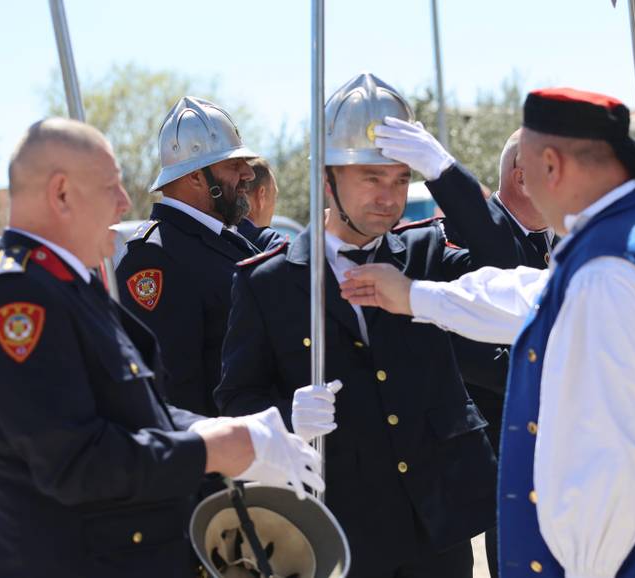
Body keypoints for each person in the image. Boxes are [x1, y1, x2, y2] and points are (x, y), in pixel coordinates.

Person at [341, 87, 635, 578]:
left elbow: (603, 471)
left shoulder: (609, 269)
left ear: (552, 165)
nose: (522, 190)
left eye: (525, 173)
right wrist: (416, 297)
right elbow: (536, 295)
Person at [0, 118, 323, 578]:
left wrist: (239, 431)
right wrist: (211, 449)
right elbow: (77, 463)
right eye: (112, 187)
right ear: (62, 193)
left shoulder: (68, 287)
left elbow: (144, 411)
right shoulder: (18, 302)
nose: (126, 203)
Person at [215, 72, 520, 578]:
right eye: (372, 178)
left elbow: (504, 260)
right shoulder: (269, 283)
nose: (389, 197)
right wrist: (287, 417)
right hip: (346, 527)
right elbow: (237, 397)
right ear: (328, 179)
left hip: (436, 527)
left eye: (402, 179)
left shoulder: (424, 252)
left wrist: (443, 171)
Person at [116, 97, 278, 416]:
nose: (247, 174)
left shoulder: (223, 239)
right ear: (195, 177)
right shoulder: (154, 256)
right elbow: (173, 392)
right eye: (233, 165)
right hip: (224, 456)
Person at [444, 129, 553, 577]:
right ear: (523, 178)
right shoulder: (465, 234)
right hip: (504, 434)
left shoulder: (563, 236)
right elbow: (465, 344)